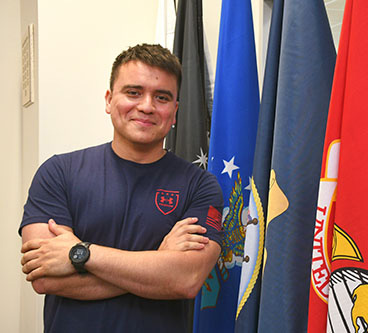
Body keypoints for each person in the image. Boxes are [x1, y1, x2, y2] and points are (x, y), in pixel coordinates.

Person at [19, 44, 223, 332]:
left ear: (174, 112)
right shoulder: (58, 173)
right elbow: (45, 278)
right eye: (133, 92)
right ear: (109, 99)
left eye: (162, 97)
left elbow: (187, 280)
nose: (147, 106)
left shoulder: (200, 185)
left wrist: (80, 253)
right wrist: (160, 263)